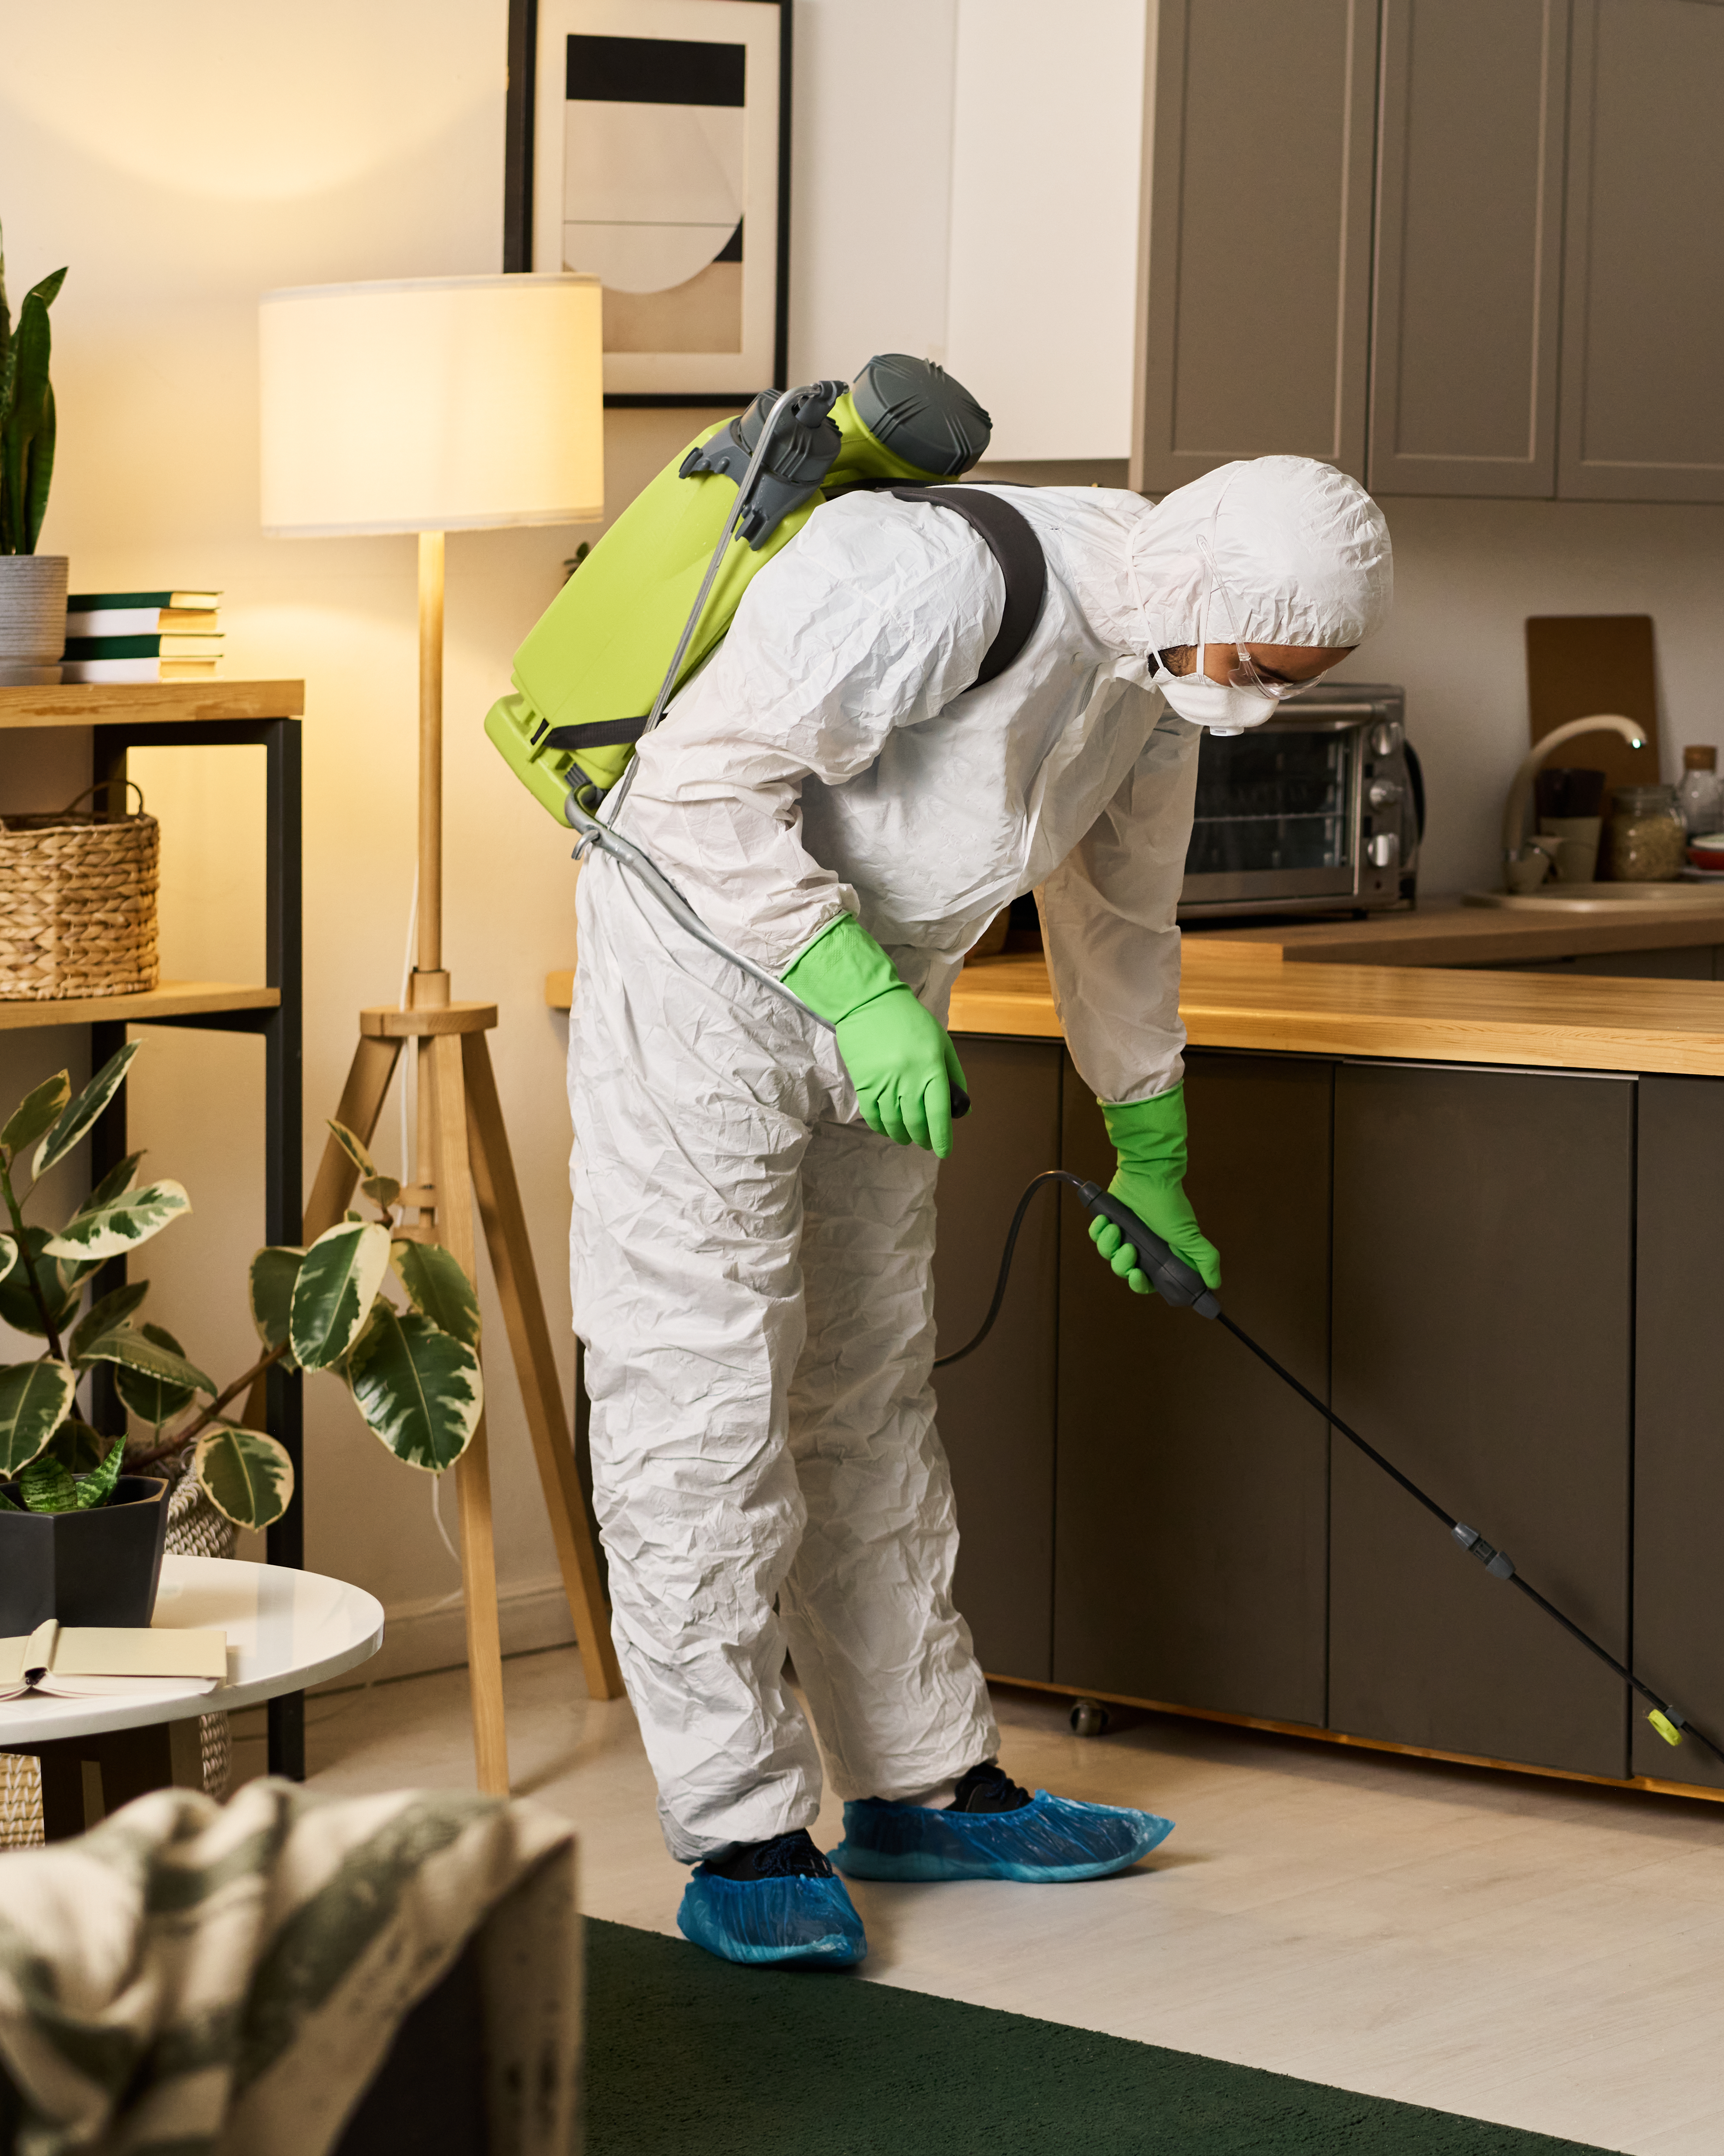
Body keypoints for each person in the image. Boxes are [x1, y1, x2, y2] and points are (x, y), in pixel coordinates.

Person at [565, 455, 1393, 1966]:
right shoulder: (938, 576)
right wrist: (853, 993)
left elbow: (1122, 912)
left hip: (887, 996)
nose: (1259, 703)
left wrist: (1153, 1149)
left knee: (871, 1382)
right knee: (703, 1392)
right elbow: (689, 788)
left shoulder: (1158, 666)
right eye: (1265, 671)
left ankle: (922, 1781)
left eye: (1293, 684)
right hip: (701, 978)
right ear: (1208, 584)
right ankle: (743, 1827)